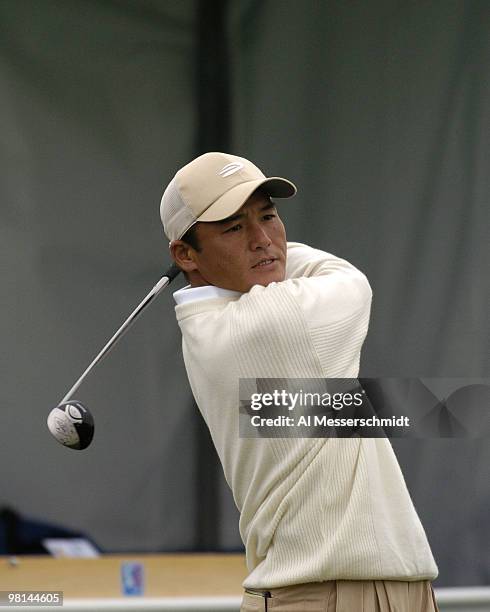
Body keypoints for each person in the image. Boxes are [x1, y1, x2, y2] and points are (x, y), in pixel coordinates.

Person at [160, 152, 439, 612]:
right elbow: (350, 280)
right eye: (234, 227)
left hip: (369, 586)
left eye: (269, 217)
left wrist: (242, 247)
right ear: (185, 254)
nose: (263, 240)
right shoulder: (272, 324)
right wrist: (273, 251)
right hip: (324, 593)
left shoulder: (214, 326)